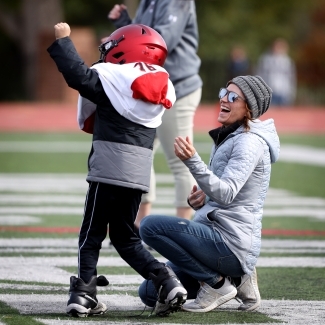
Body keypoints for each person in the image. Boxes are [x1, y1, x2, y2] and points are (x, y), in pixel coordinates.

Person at [47, 22, 187, 317]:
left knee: (91, 234)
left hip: (107, 169)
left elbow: (78, 77)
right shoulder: (161, 84)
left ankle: (84, 293)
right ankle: (166, 279)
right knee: (125, 238)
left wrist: (64, 42)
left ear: (128, 48)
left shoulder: (113, 79)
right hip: (137, 176)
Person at [137, 75, 280, 312]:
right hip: (217, 237)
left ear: (249, 108)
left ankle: (218, 283)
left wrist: (193, 161)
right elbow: (225, 194)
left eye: (233, 97)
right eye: (224, 92)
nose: (224, 99)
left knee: (150, 226)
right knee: (152, 291)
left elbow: (226, 194)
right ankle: (237, 279)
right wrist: (203, 198)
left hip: (230, 244)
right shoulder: (232, 134)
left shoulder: (249, 142)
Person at [108, 0, 202, 228]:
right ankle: (140, 223)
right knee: (140, 155)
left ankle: (183, 228)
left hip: (176, 87)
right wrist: (125, 26)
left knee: (180, 159)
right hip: (153, 86)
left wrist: (120, 45)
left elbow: (160, 43)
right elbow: (144, 36)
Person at [256, 38, 296, 106]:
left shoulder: (287, 62)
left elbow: (291, 78)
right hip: (269, 91)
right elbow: (259, 75)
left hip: (283, 91)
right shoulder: (266, 60)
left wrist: (291, 92)